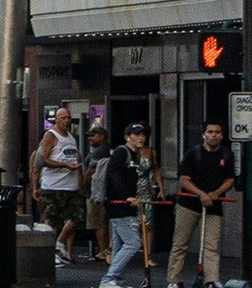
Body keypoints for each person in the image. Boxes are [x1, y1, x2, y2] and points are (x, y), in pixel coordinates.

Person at [166, 120, 234, 288]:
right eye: (210, 132)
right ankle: (174, 280)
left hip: (214, 205)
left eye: (217, 132)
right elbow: (184, 179)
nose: (214, 135)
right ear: (204, 135)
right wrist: (201, 194)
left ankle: (211, 279)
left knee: (212, 245)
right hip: (188, 205)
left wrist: (216, 193)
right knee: (180, 244)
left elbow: (230, 179)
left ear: (222, 136)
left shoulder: (226, 155)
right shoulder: (192, 154)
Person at [99, 123, 154, 288]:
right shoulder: (121, 152)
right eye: (136, 134)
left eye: (143, 134)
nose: (141, 138)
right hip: (119, 204)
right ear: (127, 136)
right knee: (133, 243)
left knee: (120, 244)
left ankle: (116, 280)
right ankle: (109, 278)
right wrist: (126, 196)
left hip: (127, 204)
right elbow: (113, 174)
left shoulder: (134, 154)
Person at [37, 106, 84, 267]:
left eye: (68, 118)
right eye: (63, 118)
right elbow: (43, 159)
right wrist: (64, 165)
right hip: (53, 185)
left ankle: (59, 242)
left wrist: (80, 179)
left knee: (77, 217)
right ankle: (49, 252)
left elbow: (76, 158)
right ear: (56, 119)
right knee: (51, 220)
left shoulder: (71, 136)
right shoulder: (50, 136)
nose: (66, 121)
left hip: (70, 186)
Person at [82, 126, 111, 263]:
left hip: (95, 191)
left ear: (102, 137)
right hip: (104, 191)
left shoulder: (97, 153)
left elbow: (91, 171)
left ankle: (102, 250)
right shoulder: (108, 150)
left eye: (93, 136)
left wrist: (83, 186)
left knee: (97, 222)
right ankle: (105, 249)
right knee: (103, 221)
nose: (90, 138)